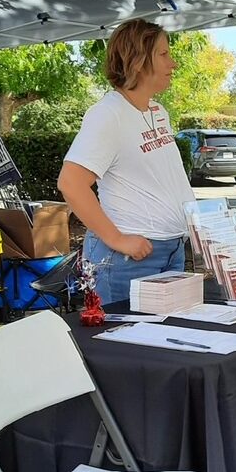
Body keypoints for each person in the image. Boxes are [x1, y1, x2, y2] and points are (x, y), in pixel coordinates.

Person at [58, 19, 194, 304]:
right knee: (125, 333)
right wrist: (117, 239)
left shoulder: (157, 111)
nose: (173, 63)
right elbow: (71, 183)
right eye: (163, 54)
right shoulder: (108, 114)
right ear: (138, 61)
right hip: (128, 260)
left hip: (171, 251)